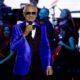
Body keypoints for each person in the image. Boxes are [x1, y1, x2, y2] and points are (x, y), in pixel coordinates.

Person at [0, 4, 53, 80]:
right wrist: (24, 34)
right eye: (28, 13)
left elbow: (46, 47)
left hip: (39, 64)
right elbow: (13, 46)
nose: (31, 15)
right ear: (24, 14)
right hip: (23, 64)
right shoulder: (17, 28)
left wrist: (49, 64)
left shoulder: (42, 27)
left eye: (33, 13)